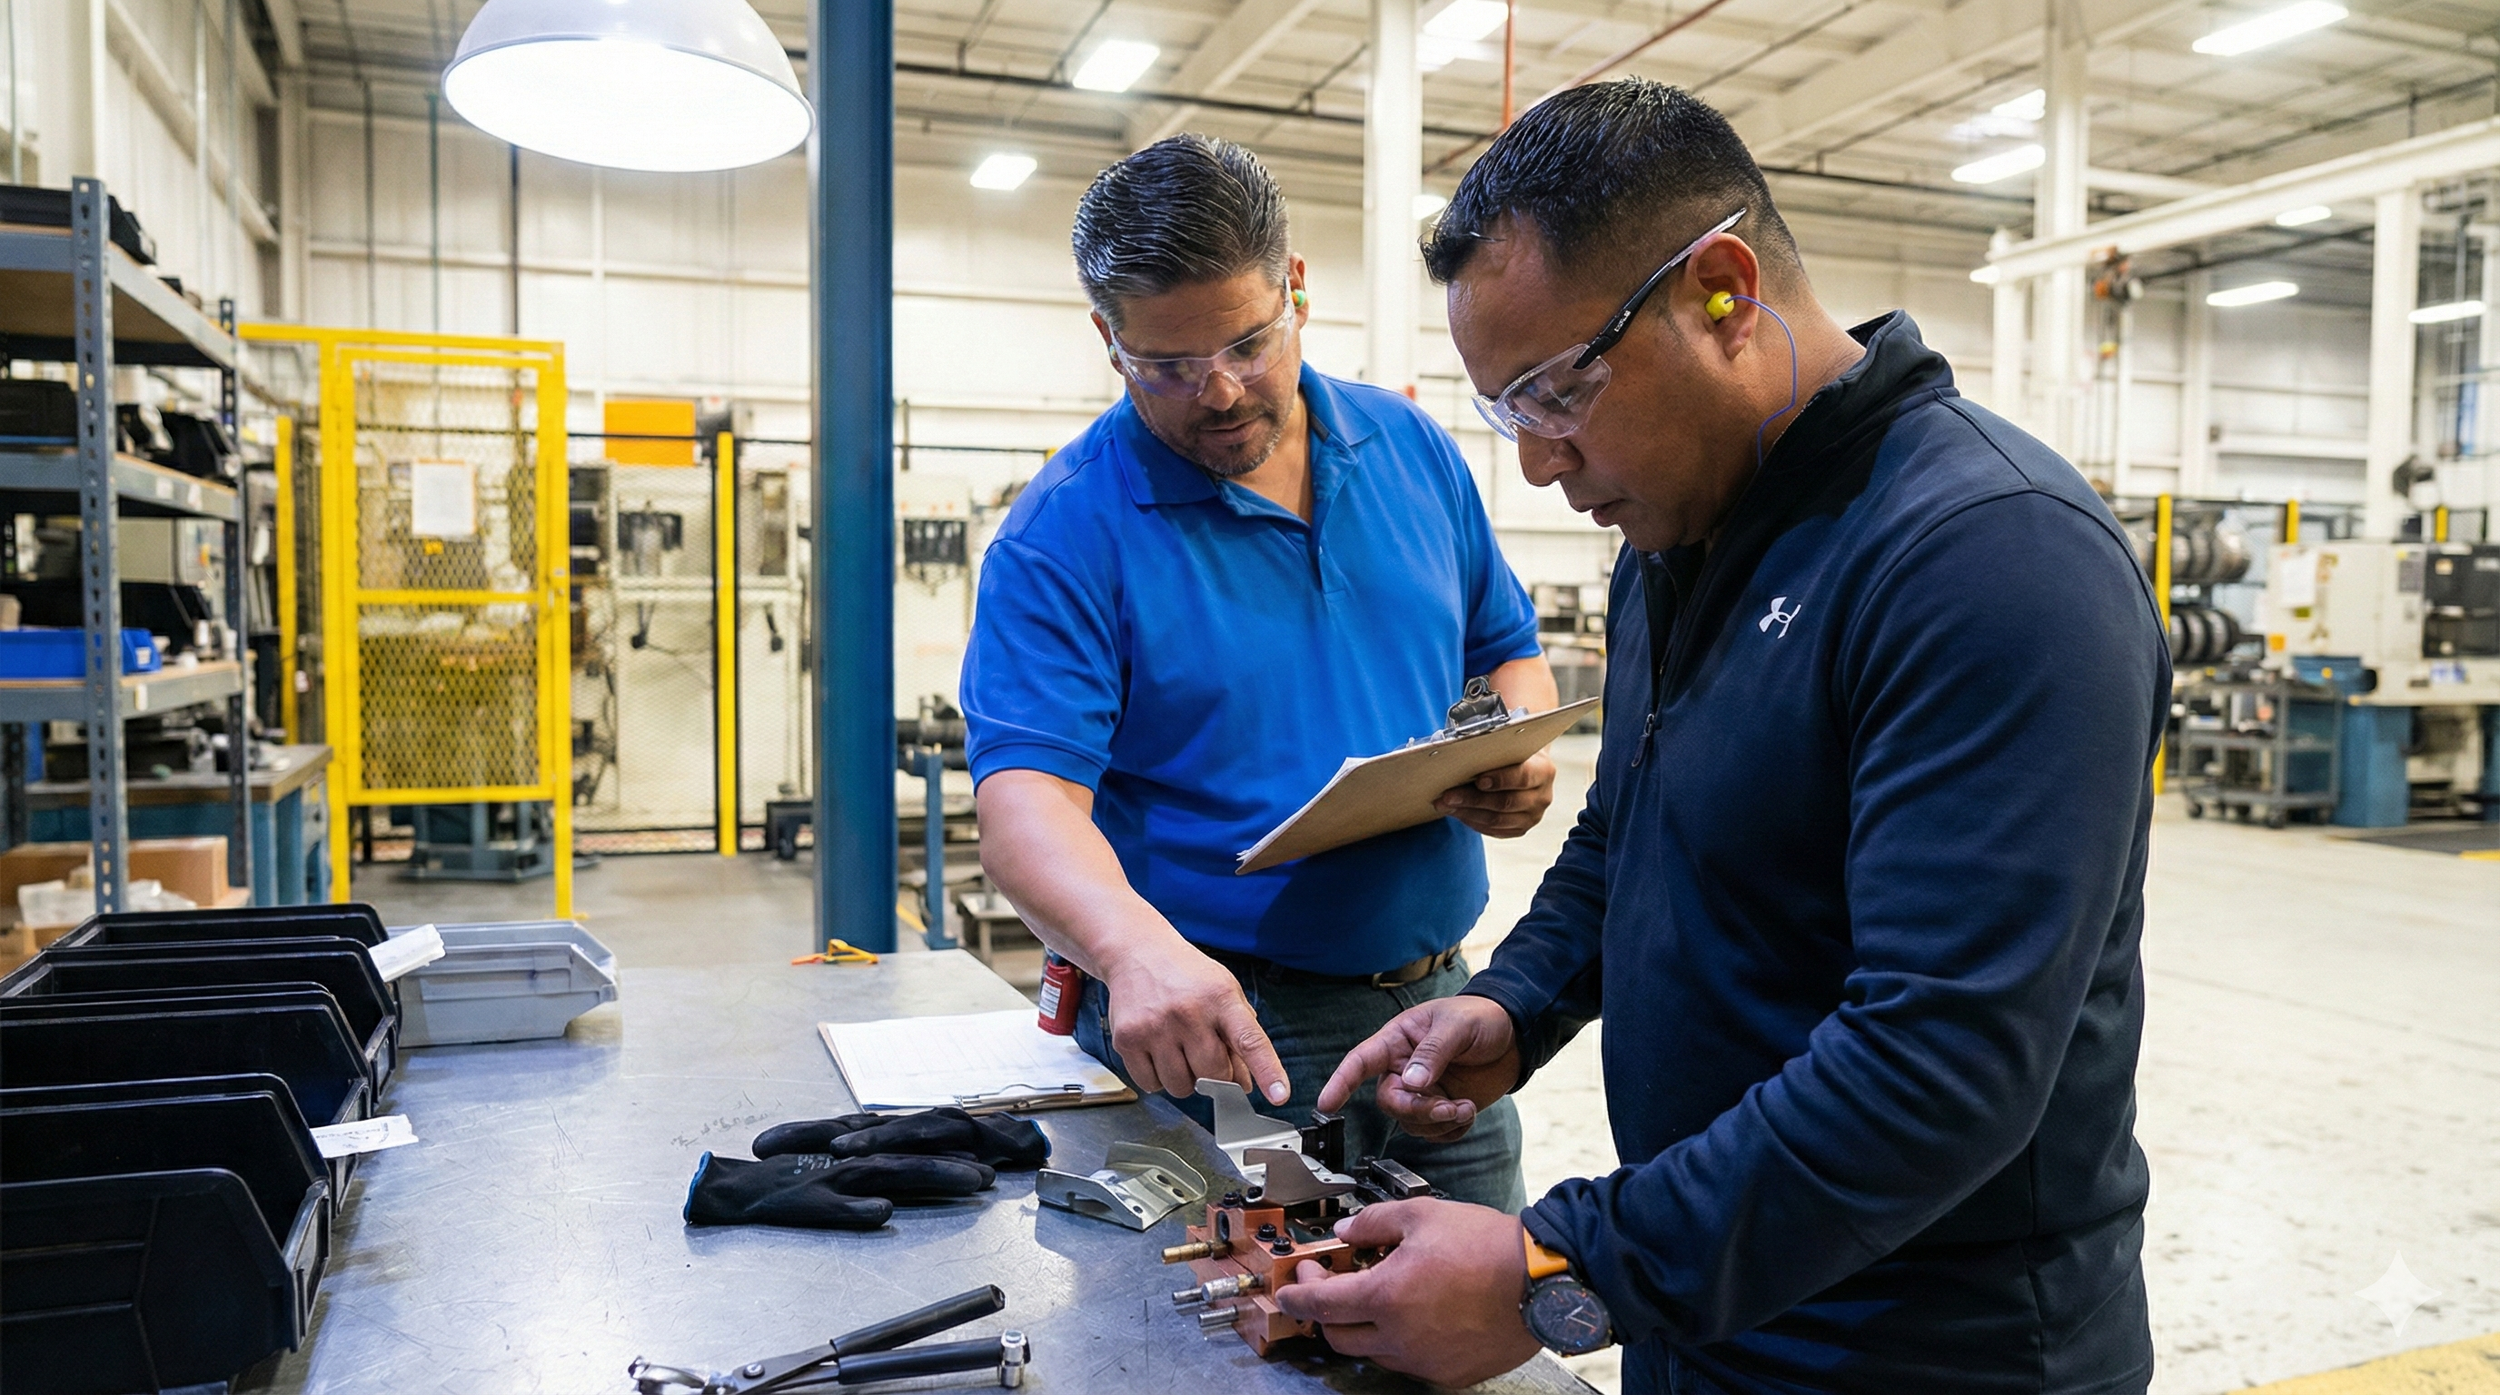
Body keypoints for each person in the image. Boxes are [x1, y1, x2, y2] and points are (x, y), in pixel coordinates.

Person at [1276, 80, 2166, 1393]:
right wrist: (1514, 1002)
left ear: (1722, 292)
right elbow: (1630, 831)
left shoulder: (1990, 557)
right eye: (1504, 410)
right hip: (1713, 1306)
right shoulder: (1678, 535)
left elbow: (1940, 1063)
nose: (1535, 463)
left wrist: (1562, 1269)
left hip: (1927, 1353)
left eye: (1556, 389)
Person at [962, 134, 1560, 1212]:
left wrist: (1514, 744)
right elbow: (1022, 806)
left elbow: (1502, 649)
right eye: (1169, 366)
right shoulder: (1066, 534)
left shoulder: (1411, 450)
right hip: (1212, 1033)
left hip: (1436, 1013)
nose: (1221, 391)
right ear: (1108, 339)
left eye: (1245, 342)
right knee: (1216, 1339)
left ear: (1294, 289)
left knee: (1474, 1335)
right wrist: (1132, 951)